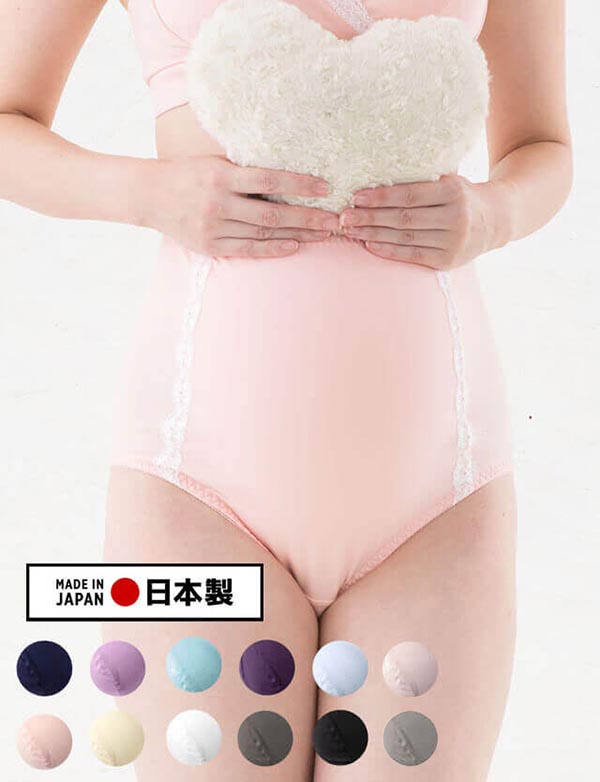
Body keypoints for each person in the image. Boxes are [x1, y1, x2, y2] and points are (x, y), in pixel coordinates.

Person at [0, 0, 572, 779]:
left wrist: (492, 214)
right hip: (195, 488)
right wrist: (149, 194)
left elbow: (543, 146)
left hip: (439, 492)